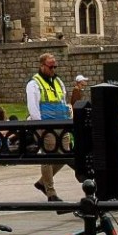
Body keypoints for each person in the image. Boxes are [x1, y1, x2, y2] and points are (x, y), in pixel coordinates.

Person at [26, 54, 71, 200]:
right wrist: (40, 125)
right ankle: (51, 192)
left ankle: (41, 183)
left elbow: (63, 100)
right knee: (48, 156)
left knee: (65, 155)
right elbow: (33, 107)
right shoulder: (34, 84)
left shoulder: (58, 81)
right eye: (51, 67)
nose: (53, 69)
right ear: (42, 66)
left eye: (55, 66)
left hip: (62, 124)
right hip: (46, 125)